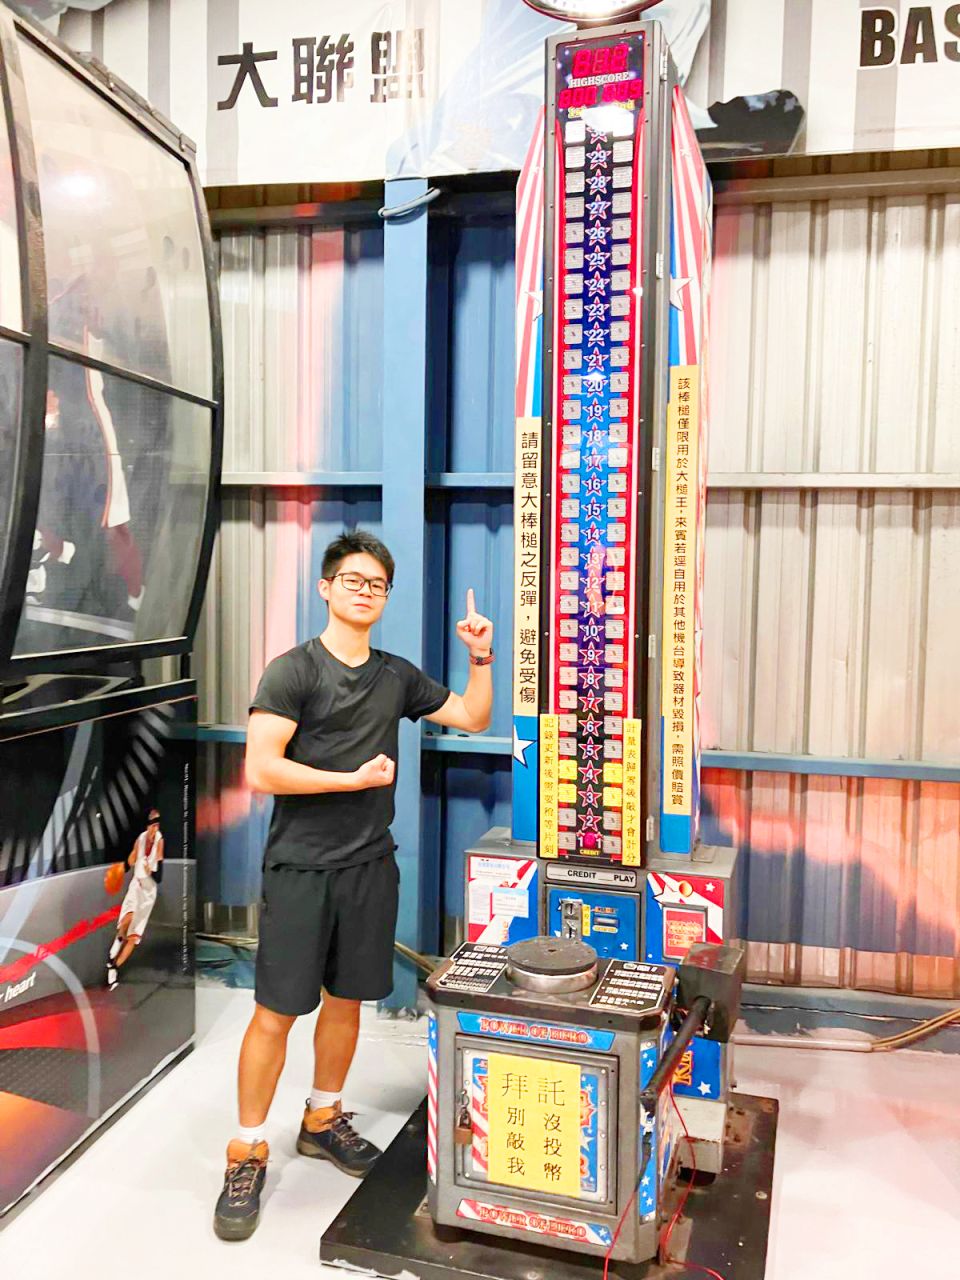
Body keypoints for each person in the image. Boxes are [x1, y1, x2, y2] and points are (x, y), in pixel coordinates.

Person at [213, 530, 494, 1242]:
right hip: (301, 869)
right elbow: (262, 770)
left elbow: (472, 716)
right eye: (353, 580)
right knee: (276, 1012)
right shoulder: (292, 672)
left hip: (370, 866)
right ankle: (246, 1150)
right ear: (326, 587)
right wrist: (351, 780)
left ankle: (322, 1118)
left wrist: (480, 656)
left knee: (347, 1001)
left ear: (385, 597)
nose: (365, 592)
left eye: (377, 584)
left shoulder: (395, 675)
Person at [106, 808, 164, 989]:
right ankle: (116, 943)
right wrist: (121, 870)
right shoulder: (141, 838)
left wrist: (150, 870)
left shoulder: (160, 841)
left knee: (134, 937)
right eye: (152, 825)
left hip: (148, 892)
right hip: (136, 885)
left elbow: (159, 875)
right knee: (128, 918)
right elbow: (132, 857)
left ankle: (114, 968)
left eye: (157, 825)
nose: (155, 828)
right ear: (147, 826)